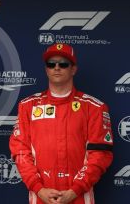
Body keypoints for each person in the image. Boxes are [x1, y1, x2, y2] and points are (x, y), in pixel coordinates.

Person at [9, 43, 114, 204]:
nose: (56, 68)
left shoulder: (94, 107)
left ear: (73, 69)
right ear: (46, 69)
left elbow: (100, 155)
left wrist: (75, 190)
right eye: (51, 64)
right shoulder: (28, 106)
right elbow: (20, 151)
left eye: (63, 64)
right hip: (41, 197)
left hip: (79, 197)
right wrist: (38, 188)